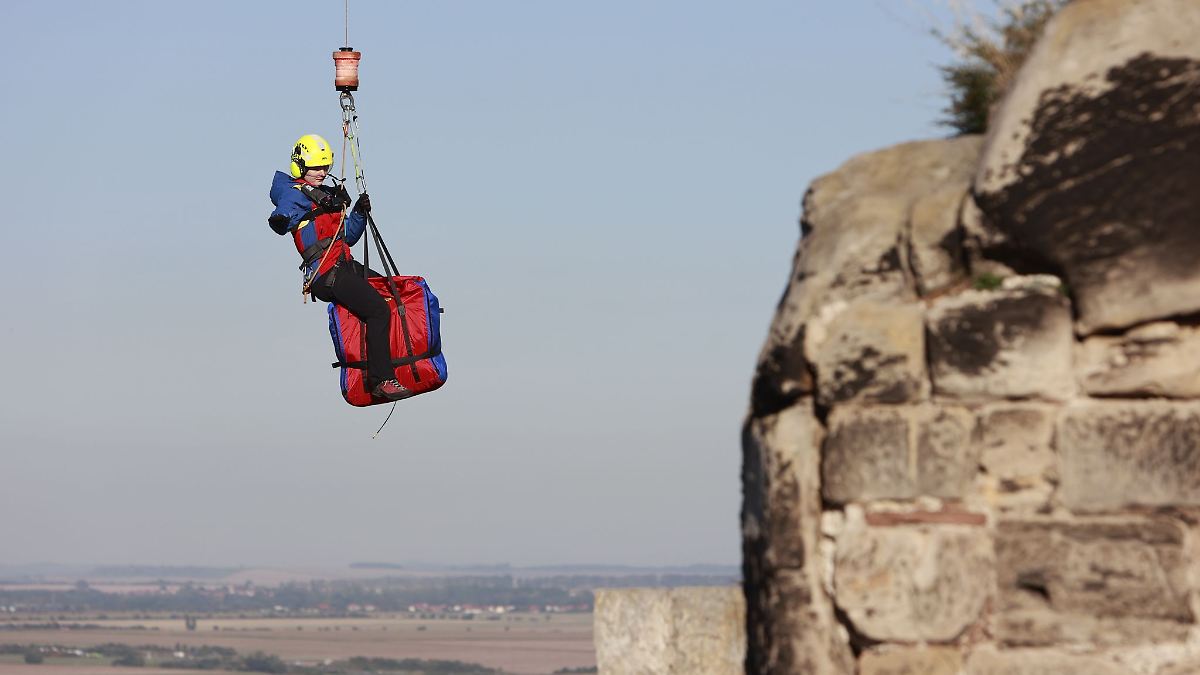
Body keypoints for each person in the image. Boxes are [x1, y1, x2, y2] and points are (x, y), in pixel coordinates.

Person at [267, 134, 410, 401]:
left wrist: (358, 212)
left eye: (325, 167)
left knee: (393, 295)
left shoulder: (326, 194)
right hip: (327, 275)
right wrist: (280, 219)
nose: (322, 173)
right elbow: (283, 212)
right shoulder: (293, 194)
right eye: (315, 168)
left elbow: (348, 236)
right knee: (377, 308)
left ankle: (396, 363)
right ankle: (381, 381)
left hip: (344, 265)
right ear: (300, 167)